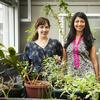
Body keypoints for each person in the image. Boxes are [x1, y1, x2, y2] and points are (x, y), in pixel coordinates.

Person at [64, 12, 99, 80]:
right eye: (77, 21)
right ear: (73, 23)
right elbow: (64, 60)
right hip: (70, 77)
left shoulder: (89, 40)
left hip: (87, 77)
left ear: (85, 23)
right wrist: (61, 75)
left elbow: (94, 61)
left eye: (82, 21)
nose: (79, 24)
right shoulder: (67, 39)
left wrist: (97, 78)